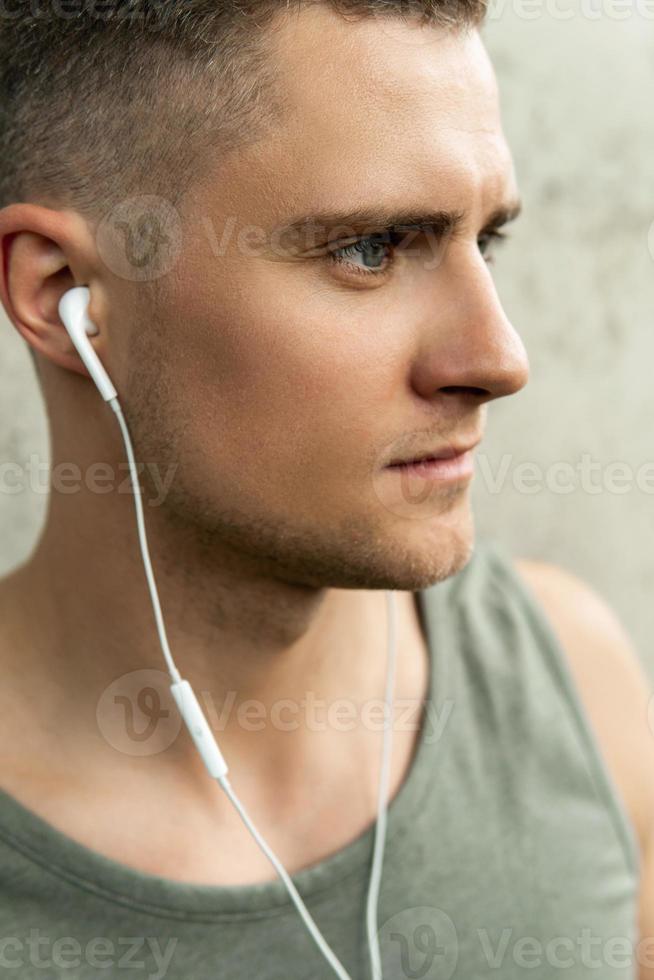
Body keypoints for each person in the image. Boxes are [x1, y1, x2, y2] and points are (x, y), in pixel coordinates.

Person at [0, 1, 651, 977]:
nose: (500, 357)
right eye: (374, 247)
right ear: (64, 298)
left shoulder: (573, 685)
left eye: (490, 240)